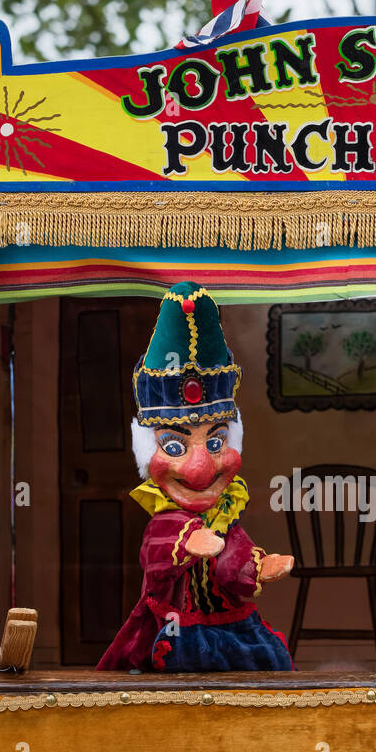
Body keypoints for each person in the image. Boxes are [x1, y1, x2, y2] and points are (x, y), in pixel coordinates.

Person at [97, 282, 294, 672]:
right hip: (176, 628)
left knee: (261, 663)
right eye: (174, 447)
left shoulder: (225, 516)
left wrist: (254, 567)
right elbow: (156, 560)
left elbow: (232, 556)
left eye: (216, 441)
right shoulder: (166, 524)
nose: (199, 469)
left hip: (231, 625)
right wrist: (189, 542)